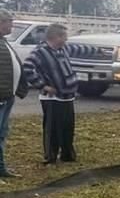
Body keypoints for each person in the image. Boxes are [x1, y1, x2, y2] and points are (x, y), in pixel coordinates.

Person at [22, 24, 101, 165]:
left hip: (68, 96)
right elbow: (27, 68)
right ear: (56, 37)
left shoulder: (63, 48)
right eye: (64, 36)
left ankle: (67, 155)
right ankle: (50, 156)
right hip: (51, 98)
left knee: (67, 126)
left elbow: (80, 49)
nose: (66, 39)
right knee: (52, 128)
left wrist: (99, 51)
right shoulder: (40, 52)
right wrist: (43, 85)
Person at [0, 9, 30, 179]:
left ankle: (1, 168)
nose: (12, 24)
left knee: (2, 133)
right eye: (9, 21)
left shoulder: (3, 42)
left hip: (7, 97)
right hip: (1, 98)